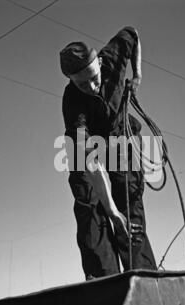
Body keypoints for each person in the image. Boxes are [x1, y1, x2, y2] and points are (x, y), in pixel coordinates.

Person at [59, 26, 157, 280]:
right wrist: (111, 212)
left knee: (129, 202)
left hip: (119, 138)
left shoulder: (112, 56)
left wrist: (137, 74)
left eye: (94, 77)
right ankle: (104, 281)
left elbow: (133, 33)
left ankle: (142, 278)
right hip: (87, 153)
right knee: (90, 208)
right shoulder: (72, 102)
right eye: (81, 83)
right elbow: (91, 161)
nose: (91, 86)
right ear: (70, 80)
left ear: (99, 62)